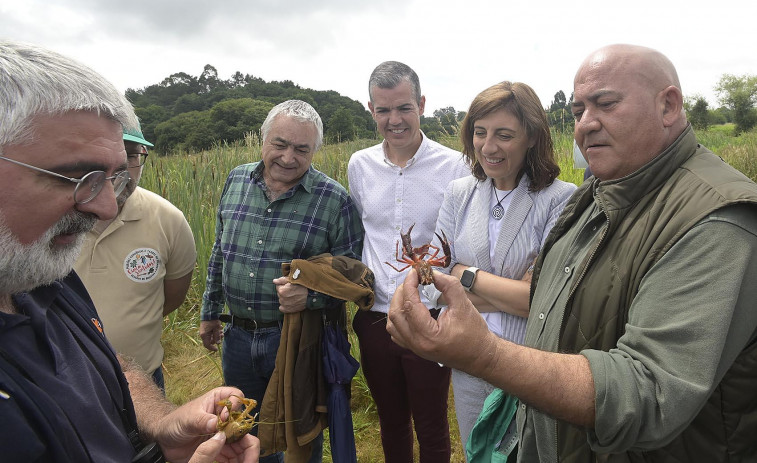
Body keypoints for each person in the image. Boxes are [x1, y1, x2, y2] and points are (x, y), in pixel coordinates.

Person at [386, 43, 757, 462]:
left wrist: (482, 342)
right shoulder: (599, 196)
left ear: (668, 105)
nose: (586, 124)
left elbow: (648, 393)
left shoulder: (716, 221)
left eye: (606, 104)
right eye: (579, 110)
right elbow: (540, 300)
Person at [0, 41, 258, 463]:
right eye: (76, 176)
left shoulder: (44, 273)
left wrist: (162, 424)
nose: (104, 206)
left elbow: (102, 361)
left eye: (117, 175)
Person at [199, 99, 363, 463]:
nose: (289, 157)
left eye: (301, 149)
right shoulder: (236, 179)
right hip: (238, 338)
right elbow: (219, 252)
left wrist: (312, 298)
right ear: (263, 141)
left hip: (295, 340)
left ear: (314, 151)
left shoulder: (334, 200)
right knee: (241, 430)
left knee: (299, 434)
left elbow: (354, 275)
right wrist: (210, 313)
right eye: (280, 144)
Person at [430, 81, 575, 454]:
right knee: (476, 451)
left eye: (504, 135)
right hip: (467, 361)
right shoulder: (459, 194)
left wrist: (466, 276)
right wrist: (511, 291)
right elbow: (430, 282)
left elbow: (539, 301)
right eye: (480, 132)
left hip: (529, 365)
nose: (488, 147)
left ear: (531, 137)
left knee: (528, 453)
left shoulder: (559, 200)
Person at [347, 61, 469, 463]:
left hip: (430, 315)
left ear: (421, 104)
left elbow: (460, 241)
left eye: (403, 108)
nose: (394, 120)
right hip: (375, 316)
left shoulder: (455, 166)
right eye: (383, 110)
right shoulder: (359, 165)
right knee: (391, 419)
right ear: (371, 110)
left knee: (432, 422)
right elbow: (366, 229)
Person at [74, 125, 196, 391]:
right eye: (102, 156)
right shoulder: (51, 220)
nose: (117, 170)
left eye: (129, 156)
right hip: (69, 383)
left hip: (143, 380)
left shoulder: (169, 220)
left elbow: (170, 297)